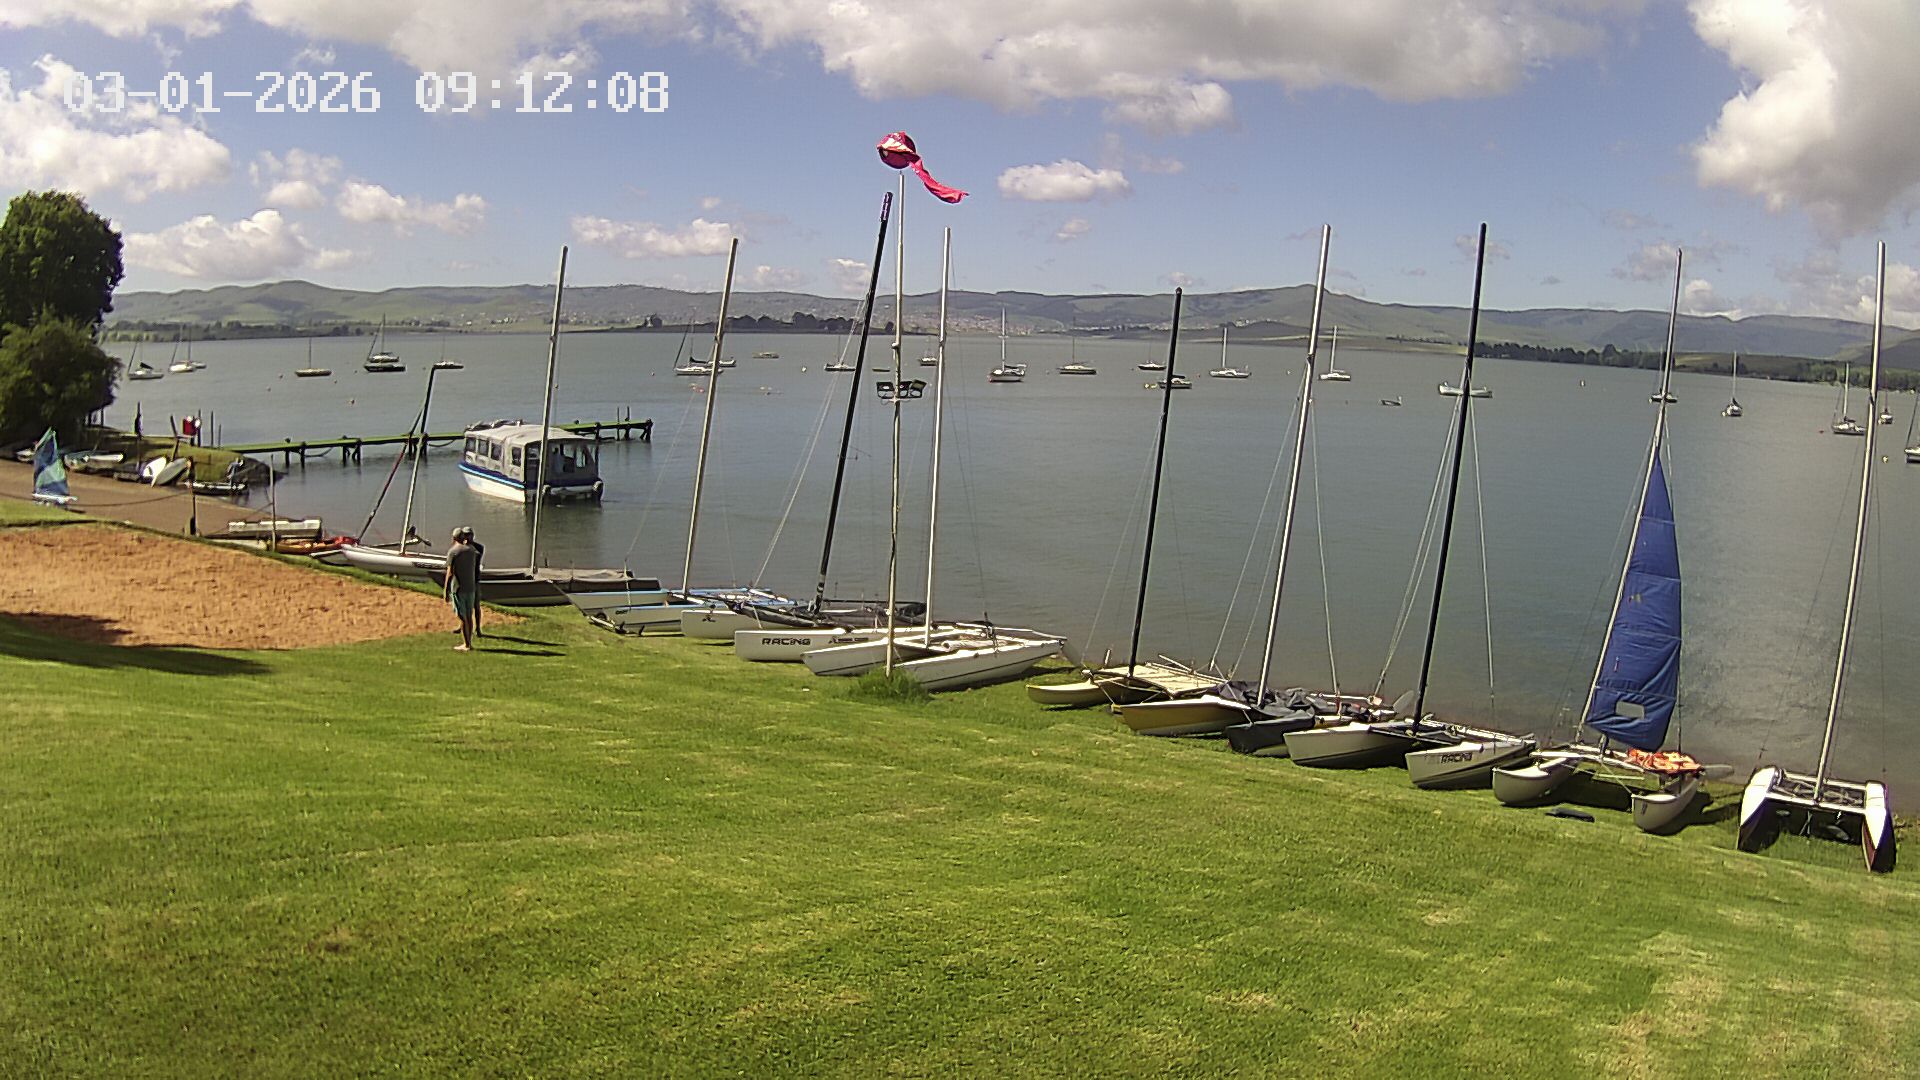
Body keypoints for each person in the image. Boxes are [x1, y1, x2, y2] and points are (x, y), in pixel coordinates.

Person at [444, 526, 480, 652]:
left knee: (462, 616)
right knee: (469, 616)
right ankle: (469, 642)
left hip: (458, 588)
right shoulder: (472, 550)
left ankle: (466, 644)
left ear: (454, 538)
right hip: (471, 587)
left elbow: (450, 573)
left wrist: (446, 590)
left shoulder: (453, 552)